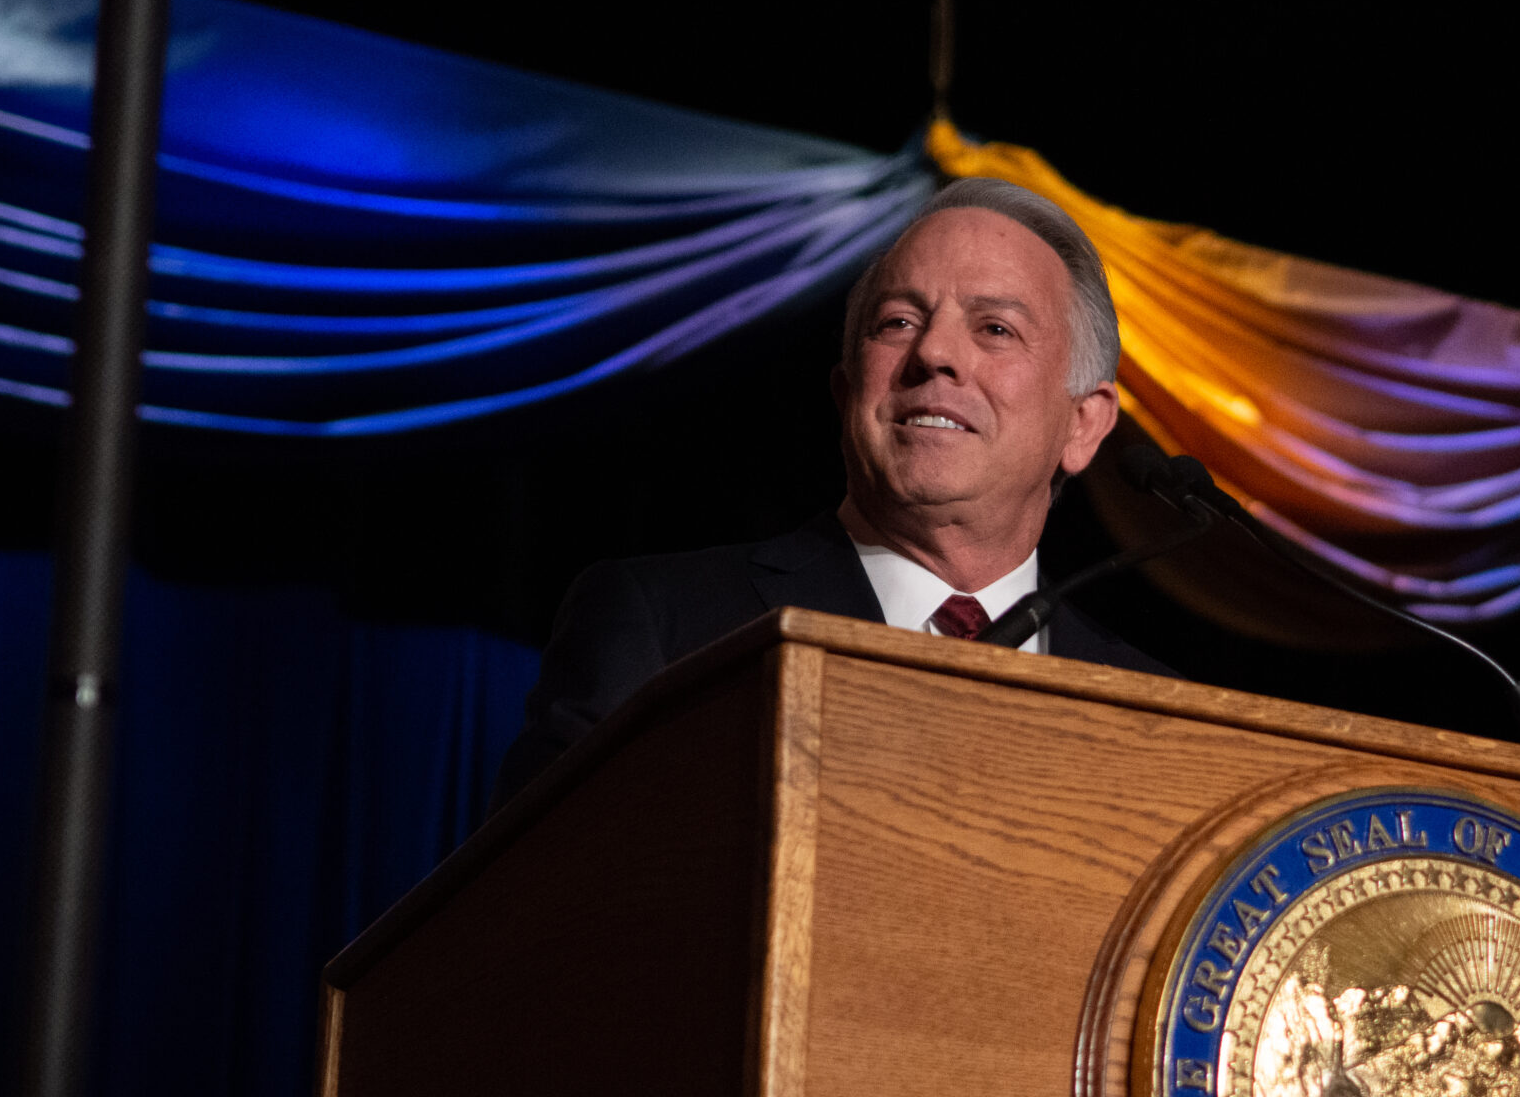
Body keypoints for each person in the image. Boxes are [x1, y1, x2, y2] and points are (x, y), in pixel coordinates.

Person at [493, 178, 1171, 806]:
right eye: (898, 322)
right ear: (848, 396)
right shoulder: (662, 629)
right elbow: (532, 912)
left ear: (1084, 424)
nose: (934, 351)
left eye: (995, 328)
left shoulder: (1162, 715)